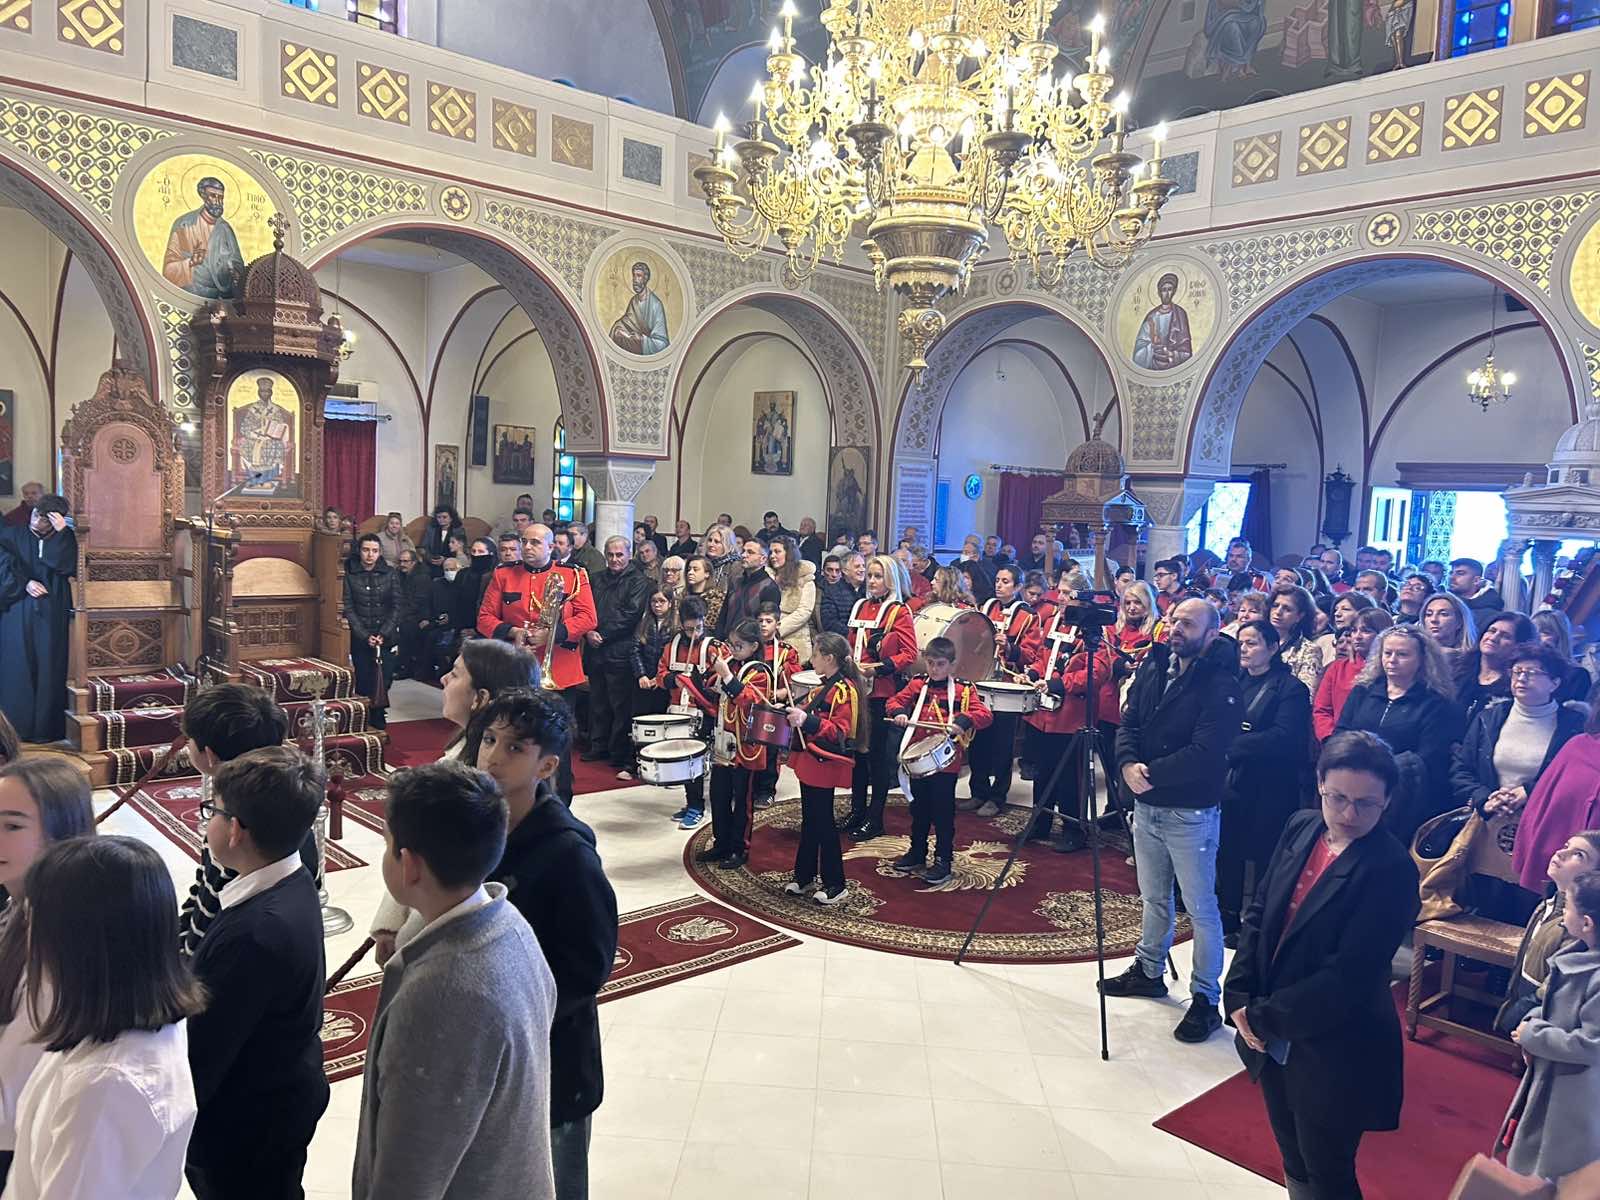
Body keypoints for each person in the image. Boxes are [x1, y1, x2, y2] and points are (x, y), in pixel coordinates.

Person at [1223, 732, 1420, 1200]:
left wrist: (1262, 1017)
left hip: (1334, 1043)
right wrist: (1239, 993)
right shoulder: (1302, 827)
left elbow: (1348, 976)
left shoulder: (1390, 868)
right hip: (1271, 1024)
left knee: (1327, 1169)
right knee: (1291, 1154)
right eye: (1338, 798)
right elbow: (1260, 914)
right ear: (1319, 784)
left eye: (1366, 804)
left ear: (1388, 800)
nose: (1349, 814)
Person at [352, 760, 559, 1200]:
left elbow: (409, 1171)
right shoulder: (508, 921)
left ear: (409, 865)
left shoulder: (440, 994)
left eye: (388, 844)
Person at [1, 836, 204, 1200]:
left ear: (78, 943)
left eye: (35, 920)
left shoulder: (105, 1089)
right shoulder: (132, 1011)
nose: (26, 935)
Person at [184, 746, 328, 1200]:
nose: (206, 822)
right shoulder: (292, 876)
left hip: (247, 1126)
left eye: (212, 811)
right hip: (280, 1092)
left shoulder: (254, 934)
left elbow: (202, 1053)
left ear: (235, 830)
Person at [1104, 597, 1240, 1042]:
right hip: (1148, 803)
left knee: (1200, 908)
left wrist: (1149, 775)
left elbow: (1207, 752)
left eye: (1189, 623)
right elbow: (1129, 722)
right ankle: (1149, 971)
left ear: (1211, 634)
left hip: (1189, 810)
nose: (1177, 628)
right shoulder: (1155, 664)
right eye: (1174, 620)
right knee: (1153, 897)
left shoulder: (1221, 682)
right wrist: (1127, 764)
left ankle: (1205, 999)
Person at [368, 640, 539, 962]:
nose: (444, 679)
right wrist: (390, 925)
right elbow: (412, 843)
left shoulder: (484, 789)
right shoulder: (456, 759)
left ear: (480, 698)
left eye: (456, 674)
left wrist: (404, 937)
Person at [0, 759, 93, 1188]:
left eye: (12, 826)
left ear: (59, 836)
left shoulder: (55, 948)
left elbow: (12, 1094)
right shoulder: (24, 902)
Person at [175, 684, 318, 957]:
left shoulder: (238, 837)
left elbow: (210, 915)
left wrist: (182, 957)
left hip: (225, 955)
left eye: (188, 739)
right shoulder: (290, 801)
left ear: (209, 755)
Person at [479, 523, 598, 794]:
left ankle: (559, 799)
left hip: (559, 669)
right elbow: (484, 618)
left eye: (535, 542)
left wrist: (553, 634)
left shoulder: (573, 574)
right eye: (525, 541)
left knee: (558, 741)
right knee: (516, 735)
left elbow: (588, 618)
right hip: (517, 667)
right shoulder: (504, 574)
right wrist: (513, 632)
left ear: (551, 546)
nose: (528, 547)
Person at [1504, 868, 1600, 1181]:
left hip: (1576, 1092)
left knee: (1559, 1170)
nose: (1562, 915)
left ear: (1587, 923)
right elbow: (1555, 1008)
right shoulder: (1578, 953)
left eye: (1567, 907)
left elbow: (1592, 1044)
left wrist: (1535, 1035)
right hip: (1555, 1074)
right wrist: (1533, 1019)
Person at [1219, 620, 1312, 943]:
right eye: (1241, 643)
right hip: (1234, 779)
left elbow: (1285, 737)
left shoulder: (1291, 688)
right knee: (1228, 848)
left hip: (1271, 782)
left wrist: (1234, 744)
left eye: (1253, 643)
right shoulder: (1234, 680)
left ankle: (1258, 922)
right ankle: (1227, 914)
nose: (1244, 649)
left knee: (1264, 853)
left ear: (1273, 648)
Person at [1333, 625, 1465, 843]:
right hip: (1350, 786)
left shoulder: (1437, 703)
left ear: (1422, 660)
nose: (1392, 660)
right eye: (1387, 653)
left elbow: (1427, 758)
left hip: (1402, 798)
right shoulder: (1363, 690)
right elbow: (1341, 733)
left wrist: (1376, 776)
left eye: (1402, 654)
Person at [886, 636, 993, 881]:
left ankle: (943, 859)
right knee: (919, 809)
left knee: (943, 812)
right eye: (930, 663)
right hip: (918, 759)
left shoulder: (964, 689)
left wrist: (964, 721)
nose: (934, 669)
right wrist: (899, 712)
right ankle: (917, 852)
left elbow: (985, 714)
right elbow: (894, 701)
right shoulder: (917, 684)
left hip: (946, 763)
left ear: (952, 664)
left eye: (941, 664)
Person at [1021, 605, 1118, 852]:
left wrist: (1059, 684)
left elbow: (1097, 673)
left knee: (1070, 778)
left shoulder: (1095, 630)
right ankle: (1040, 822)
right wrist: (1033, 674)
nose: (1060, 599)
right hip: (1043, 713)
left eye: (1066, 594)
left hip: (1072, 717)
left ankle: (1074, 829)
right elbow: (1042, 658)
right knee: (1042, 773)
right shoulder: (1052, 622)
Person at [784, 632, 868, 902]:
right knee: (810, 820)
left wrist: (806, 720)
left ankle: (836, 883)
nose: (811, 660)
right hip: (811, 760)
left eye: (815, 654)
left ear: (829, 658)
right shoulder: (824, 686)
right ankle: (804, 875)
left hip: (825, 761)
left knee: (823, 822)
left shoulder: (844, 690)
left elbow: (840, 732)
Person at [842, 556, 918, 839]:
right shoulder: (860, 606)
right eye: (870, 575)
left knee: (876, 757)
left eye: (877, 576)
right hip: (856, 689)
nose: (872, 581)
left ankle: (875, 818)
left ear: (890, 579)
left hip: (881, 692)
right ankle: (857, 810)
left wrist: (880, 668)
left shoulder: (899, 612)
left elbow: (909, 654)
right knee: (857, 753)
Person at [1497, 832, 1600, 1034]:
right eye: (1566, 845)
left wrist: (1527, 1009)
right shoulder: (1550, 904)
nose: (1560, 853)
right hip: (1523, 988)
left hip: (1543, 1011)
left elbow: (1557, 983)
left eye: (1578, 855)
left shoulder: (1577, 925)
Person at [697, 621, 775, 869]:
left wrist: (727, 676)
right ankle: (721, 843)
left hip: (745, 746)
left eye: (739, 646)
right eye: (731, 644)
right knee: (718, 795)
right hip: (724, 740)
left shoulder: (760, 671)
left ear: (754, 646)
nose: (733, 649)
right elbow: (714, 690)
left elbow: (748, 699)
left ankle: (739, 848)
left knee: (743, 801)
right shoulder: (730, 663)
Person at [0, 495, 77, 743]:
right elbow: (4, 565)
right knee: (18, 665)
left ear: (54, 521)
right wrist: (24, 583)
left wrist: (62, 534)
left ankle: (46, 729)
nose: (36, 521)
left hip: (52, 611)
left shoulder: (65, 537)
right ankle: (15, 730)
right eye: (35, 515)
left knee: (49, 665)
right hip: (18, 609)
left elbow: (67, 566)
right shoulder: (12, 536)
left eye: (44, 519)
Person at [967, 564, 1040, 817]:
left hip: (1007, 685)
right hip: (982, 679)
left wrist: (1009, 647)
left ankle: (997, 796)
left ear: (1018, 586)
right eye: (997, 580)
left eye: (1006, 581)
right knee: (978, 740)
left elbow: (1032, 654)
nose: (999, 585)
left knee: (1002, 744)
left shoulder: (1028, 615)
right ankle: (978, 791)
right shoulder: (986, 607)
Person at [653, 596, 726, 830]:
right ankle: (690, 801)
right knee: (683, 759)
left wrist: (704, 682)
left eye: (699, 627)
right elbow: (660, 675)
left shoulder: (714, 647)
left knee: (695, 760)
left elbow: (724, 677)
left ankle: (697, 806)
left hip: (704, 712)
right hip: (678, 710)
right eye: (689, 628)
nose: (694, 632)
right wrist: (673, 680)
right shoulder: (672, 645)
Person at [582, 536, 652, 779]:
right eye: (610, 554)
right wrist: (588, 632)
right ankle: (598, 745)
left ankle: (617, 752)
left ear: (629, 554)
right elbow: (585, 608)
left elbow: (630, 614)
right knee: (597, 701)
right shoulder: (596, 578)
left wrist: (602, 634)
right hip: (595, 649)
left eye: (619, 555)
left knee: (619, 705)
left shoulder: (639, 581)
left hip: (620, 650)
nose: (614, 559)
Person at [343, 532, 398, 729]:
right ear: (359, 551)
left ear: (380, 552)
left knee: (385, 677)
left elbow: (397, 606)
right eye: (366, 550)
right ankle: (365, 716)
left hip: (385, 635)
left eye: (374, 551)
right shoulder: (349, 573)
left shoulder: (390, 573)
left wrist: (384, 633)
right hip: (361, 636)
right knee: (364, 678)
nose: (370, 555)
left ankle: (379, 714)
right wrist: (364, 635)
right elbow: (348, 607)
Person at [1312, 607, 1391, 741]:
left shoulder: (1390, 669)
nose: (1357, 636)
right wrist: (1331, 740)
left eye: (1366, 631)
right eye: (1354, 630)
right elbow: (1322, 710)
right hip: (1335, 741)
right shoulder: (1337, 667)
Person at [1457, 611, 1537, 725]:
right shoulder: (1458, 669)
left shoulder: (1516, 685)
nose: (1493, 638)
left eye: (1505, 636)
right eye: (1492, 631)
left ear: (1519, 647)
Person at [1268, 583, 1331, 698]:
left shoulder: (1309, 650)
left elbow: (1307, 695)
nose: (1278, 612)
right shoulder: (1256, 640)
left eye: (1287, 609)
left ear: (1300, 616)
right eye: (1275, 605)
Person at [716, 538, 782, 639]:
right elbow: (723, 615)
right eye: (743, 551)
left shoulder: (770, 587)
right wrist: (718, 639)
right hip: (727, 640)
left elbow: (767, 625)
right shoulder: (735, 581)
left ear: (763, 559)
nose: (743, 555)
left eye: (750, 552)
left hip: (751, 643)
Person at [769, 536, 816, 664]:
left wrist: (778, 629)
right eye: (771, 552)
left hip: (795, 639)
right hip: (768, 638)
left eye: (777, 552)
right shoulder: (767, 577)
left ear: (789, 554)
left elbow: (804, 612)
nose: (772, 556)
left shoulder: (805, 579)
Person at [394, 547, 434, 681]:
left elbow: (417, 602)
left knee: (406, 628)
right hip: (405, 611)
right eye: (400, 561)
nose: (402, 564)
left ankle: (405, 667)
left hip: (421, 615)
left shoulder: (422, 577)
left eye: (405, 561)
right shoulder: (399, 574)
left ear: (414, 562)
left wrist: (398, 616)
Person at [819, 551, 864, 637]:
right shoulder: (831, 592)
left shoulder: (870, 591)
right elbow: (830, 623)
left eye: (863, 566)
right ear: (845, 570)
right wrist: (853, 635)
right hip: (843, 640)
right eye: (857, 566)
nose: (862, 569)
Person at [1450, 556, 1504, 621]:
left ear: (1476, 580)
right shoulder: (1445, 600)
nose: (1452, 577)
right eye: (1451, 573)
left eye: (1460, 573)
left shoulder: (1491, 610)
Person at [683, 553, 725, 633]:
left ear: (707, 574)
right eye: (688, 569)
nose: (690, 573)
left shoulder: (716, 598)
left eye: (695, 569)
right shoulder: (682, 596)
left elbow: (712, 626)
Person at [419, 505, 463, 576]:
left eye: (444, 517)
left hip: (452, 563)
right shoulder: (431, 529)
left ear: (451, 518)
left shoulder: (458, 530)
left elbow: (461, 550)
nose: (441, 519)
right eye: (439, 517)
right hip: (431, 562)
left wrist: (445, 559)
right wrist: (430, 558)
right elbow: (424, 547)